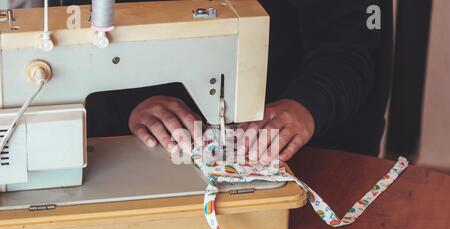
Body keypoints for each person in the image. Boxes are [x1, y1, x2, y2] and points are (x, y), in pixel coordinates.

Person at [8, 0, 387, 161]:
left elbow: (349, 46)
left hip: (308, 144)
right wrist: (133, 101)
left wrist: (306, 105)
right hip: (142, 141)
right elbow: (79, 46)